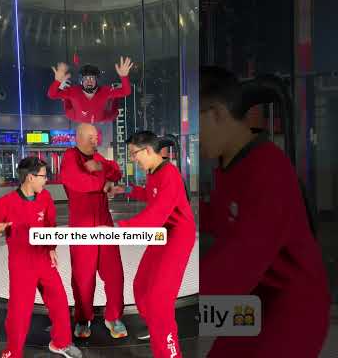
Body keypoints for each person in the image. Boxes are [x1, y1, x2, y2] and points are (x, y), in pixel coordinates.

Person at [199, 66, 331, 357]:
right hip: (256, 299)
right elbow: (221, 218)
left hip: (293, 308)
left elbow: (238, 259)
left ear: (217, 114)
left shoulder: (268, 171)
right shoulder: (228, 166)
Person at [109, 131, 196, 358]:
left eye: (134, 154)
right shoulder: (153, 172)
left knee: (160, 300)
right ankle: (157, 326)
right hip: (162, 234)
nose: (133, 159)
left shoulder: (170, 173)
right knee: (141, 286)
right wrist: (125, 189)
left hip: (177, 236)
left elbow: (155, 216)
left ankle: (169, 351)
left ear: (147, 150)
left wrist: (120, 228)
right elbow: (151, 195)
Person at [0, 157, 82, 358]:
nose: (46, 180)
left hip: (44, 259)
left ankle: (61, 343)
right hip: (22, 264)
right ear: (30, 177)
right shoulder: (5, 203)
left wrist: (52, 247)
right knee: (19, 313)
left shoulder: (45, 198)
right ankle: (12, 352)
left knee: (60, 302)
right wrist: (0, 227)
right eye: (44, 176)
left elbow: (51, 225)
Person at [60, 123, 127, 339]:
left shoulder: (98, 159)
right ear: (78, 138)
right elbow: (79, 182)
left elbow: (116, 170)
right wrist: (105, 183)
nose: (94, 141)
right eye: (89, 137)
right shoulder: (70, 158)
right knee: (83, 277)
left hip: (104, 224)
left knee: (115, 273)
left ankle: (113, 316)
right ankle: (82, 318)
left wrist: (101, 169)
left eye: (95, 137)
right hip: (82, 226)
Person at [47, 57, 133, 123]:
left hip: (101, 117)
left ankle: (115, 96)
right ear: (81, 80)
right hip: (76, 116)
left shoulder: (104, 91)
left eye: (92, 78)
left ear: (96, 80)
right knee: (67, 105)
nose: (89, 81)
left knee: (114, 114)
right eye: (86, 78)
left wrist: (124, 76)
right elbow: (52, 95)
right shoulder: (74, 91)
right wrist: (57, 81)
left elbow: (126, 92)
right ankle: (65, 89)